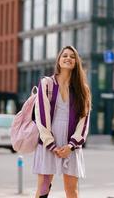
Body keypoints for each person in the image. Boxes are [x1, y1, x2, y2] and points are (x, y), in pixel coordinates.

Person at [33, 46, 91, 198]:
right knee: (43, 189)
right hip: (48, 142)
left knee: (71, 191)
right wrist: (51, 144)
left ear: (76, 62)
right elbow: (41, 116)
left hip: (70, 145)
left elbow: (84, 121)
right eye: (64, 55)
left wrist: (71, 146)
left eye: (72, 56)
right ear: (59, 60)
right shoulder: (47, 84)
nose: (68, 58)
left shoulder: (82, 89)